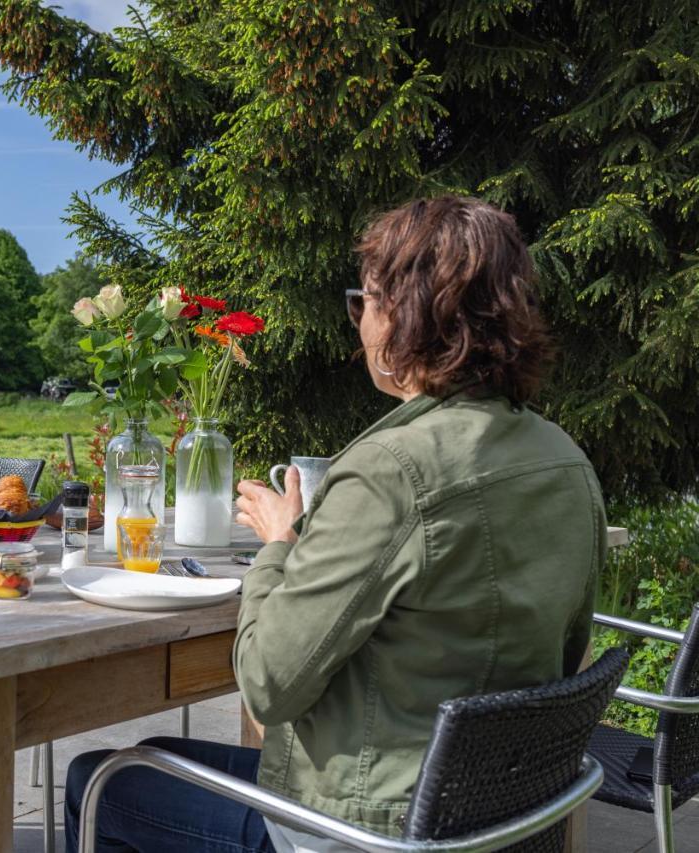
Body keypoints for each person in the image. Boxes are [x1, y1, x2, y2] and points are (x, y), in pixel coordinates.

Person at [64, 196, 608, 853]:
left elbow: (267, 684)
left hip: (365, 829)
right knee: (155, 751)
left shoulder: (389, 471)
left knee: (101, 780)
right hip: (493, 822)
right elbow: (565, 654)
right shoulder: (566, 462)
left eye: (367, 300)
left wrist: (279, 546)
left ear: (404, 314)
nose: (362, 321)